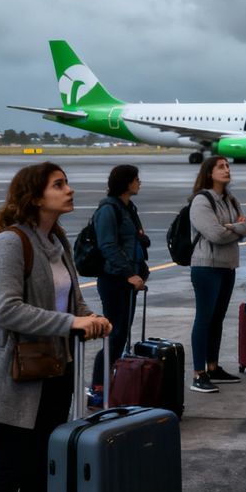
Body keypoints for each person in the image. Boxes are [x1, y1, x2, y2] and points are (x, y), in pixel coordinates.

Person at [0, 163, 111, 492]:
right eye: (58, 184)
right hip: (13, 374)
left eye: (67, 182)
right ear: (34, 196)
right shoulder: (10, 242)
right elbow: (5, 309)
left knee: (42, 469)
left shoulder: (57, 242)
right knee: (7, 471)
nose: (69, 189)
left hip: (54, 370)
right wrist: (71, 323)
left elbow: (72, 301)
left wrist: (91, 317)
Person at [187, 156, 246, 393]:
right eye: (221, 167)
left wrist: (232, 227)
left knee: (217, 319)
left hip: (227, 265)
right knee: (204, 319)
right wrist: (236, 227)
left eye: (227, 166)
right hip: (206, 266)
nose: (227, 169)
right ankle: (198, 373)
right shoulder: (201, 201)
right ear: (209, 173)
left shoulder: (230, 199)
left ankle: (213, 367)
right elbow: (214, 234)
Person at [89, 164, 150, 408]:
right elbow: (108, 246)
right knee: (113, 335)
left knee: (122, 333)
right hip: (114, 279)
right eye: (136, 179)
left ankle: (112, 382)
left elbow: (133, 238)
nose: (139, 183)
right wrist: (128, 274)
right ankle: (97, 387)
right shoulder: (108, 210)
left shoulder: (128, 208)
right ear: (126, 183)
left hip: (129, 279)